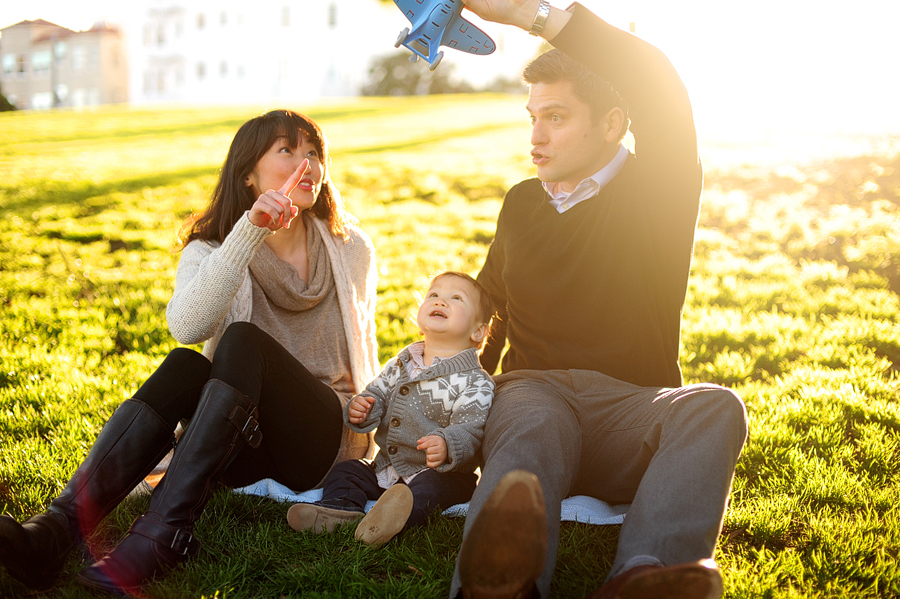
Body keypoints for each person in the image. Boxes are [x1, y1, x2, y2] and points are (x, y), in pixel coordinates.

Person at [0, 109, 379, 595]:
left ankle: (161, 535)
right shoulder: (212, 249)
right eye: (288, 150)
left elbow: (365, 346)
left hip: (324, 437)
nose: (307, 163)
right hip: (242, 441)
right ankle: (54, 533)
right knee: (186, 364)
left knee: (242, 340)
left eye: (314, 152)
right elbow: (185, 326)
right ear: (248, 173)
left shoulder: (351, 248)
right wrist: (251, 230)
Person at [449, 2, 750, 598]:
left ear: (613, 123)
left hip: (631, 407)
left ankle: (645, 574)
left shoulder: (656, 191)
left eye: (556, 117)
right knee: (531, 413)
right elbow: (491, 312)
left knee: (715, 407)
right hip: (535, 396)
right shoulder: (521, 203)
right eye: (532, 116)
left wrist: (530, 14)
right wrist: (455, 406)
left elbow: (658, 84)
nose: (536, 137)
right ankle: (502, 586)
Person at [287, 271, 495, 547]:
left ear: (478, 331)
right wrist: (362, 408)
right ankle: (340, 510)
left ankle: (391, 523)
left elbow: (470, 429)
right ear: (420, 319)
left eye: (456, 298)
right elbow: (377, 394)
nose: (441, 301)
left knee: (427, 490)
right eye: (434, 295)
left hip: (442, 474)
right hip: (386, 468)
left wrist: (447, 443)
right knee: (348, 471)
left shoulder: (476, 381)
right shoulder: (402, 363)